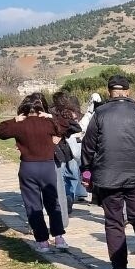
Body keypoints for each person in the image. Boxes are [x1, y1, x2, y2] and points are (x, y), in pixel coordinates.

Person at [81, 74, 135, 269]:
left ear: (110, 92)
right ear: (128, 92)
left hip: (107, 178)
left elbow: (88, 147)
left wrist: (87, 172)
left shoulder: (99, 114)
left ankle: (120, 267)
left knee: (114, 221)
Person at [0, 93, 68, 253]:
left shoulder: (20, 124)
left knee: (33, 206)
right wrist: (51, 116)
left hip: (28, 167)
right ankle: (59, 237)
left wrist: (15, 120)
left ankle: (42, 241)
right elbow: (68, 125)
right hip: (47, 167)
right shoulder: (48, 123)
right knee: (53, 202)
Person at [51, 91, 85, 220]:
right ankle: (65, 202)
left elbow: (76, 128)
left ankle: (67, 201)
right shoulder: (56, 113)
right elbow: (76, 128)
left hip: (66, 149)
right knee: (68, 176)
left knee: (69, 175)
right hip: (62, 150)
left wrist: (63, 133)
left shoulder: (63, 112)